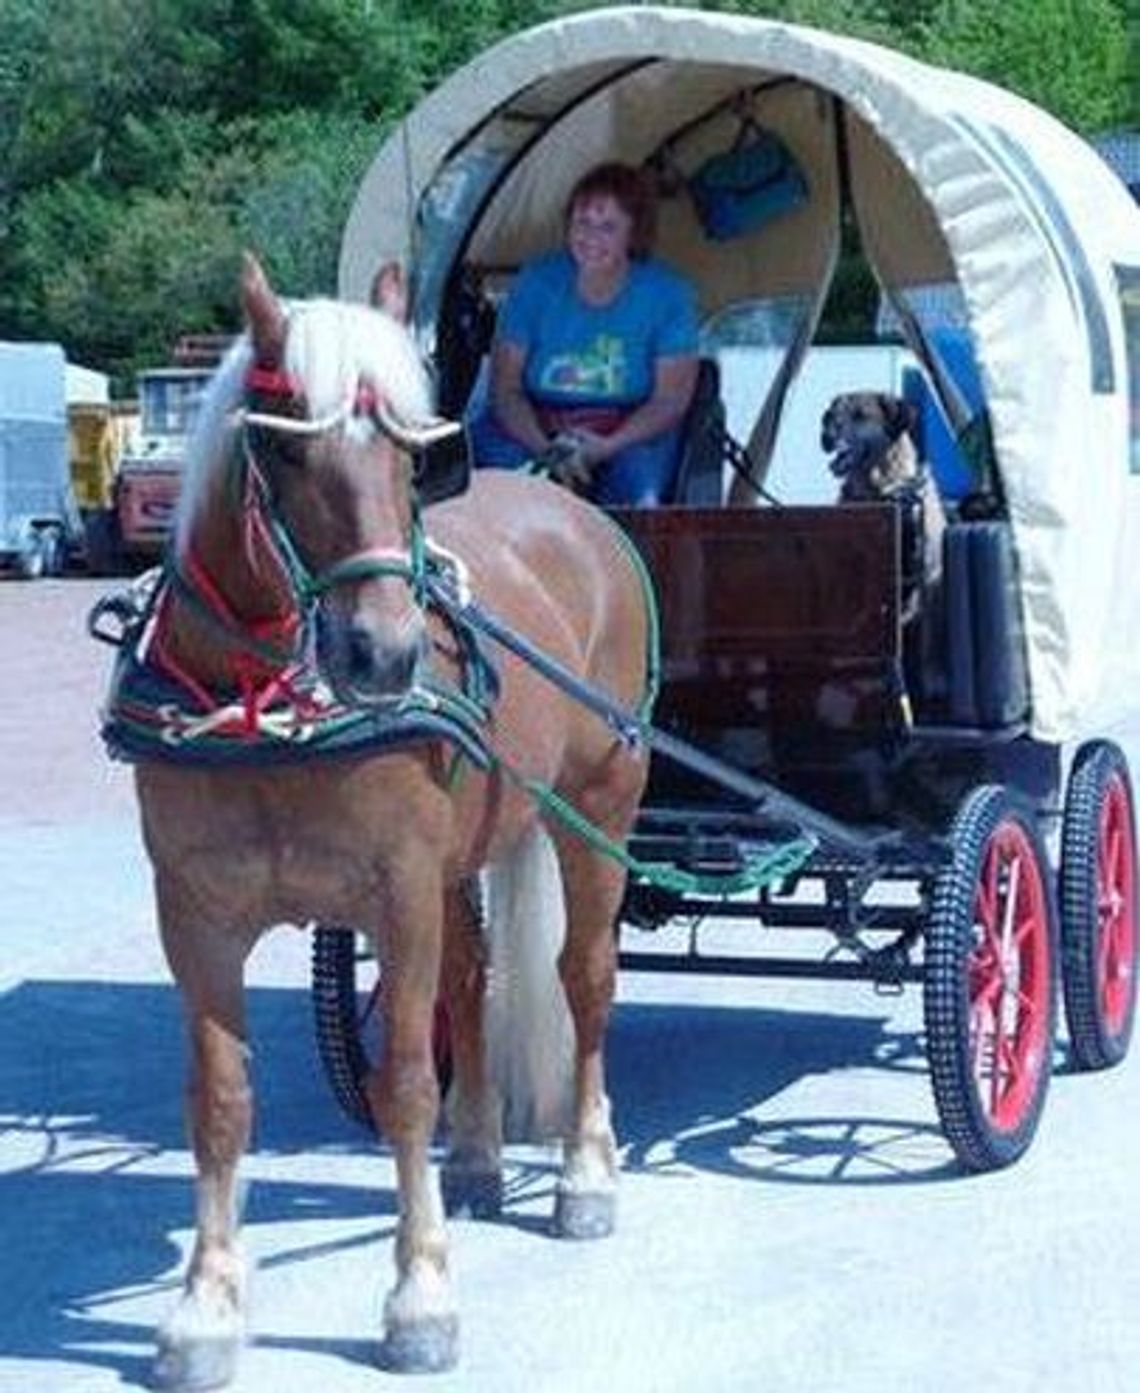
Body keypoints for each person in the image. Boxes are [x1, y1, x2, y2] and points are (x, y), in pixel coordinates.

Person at [470, 162, 700, 506]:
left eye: (607, 227)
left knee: (638, 496)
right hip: (535, 423)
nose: (590, 238)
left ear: (633, 233)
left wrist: (607, 446)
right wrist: (547, 451)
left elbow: (669, 401)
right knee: (507, 492)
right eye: (582, 223)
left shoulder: (668, 294)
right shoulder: (536, 282)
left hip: (629, 430)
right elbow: (505, 390)